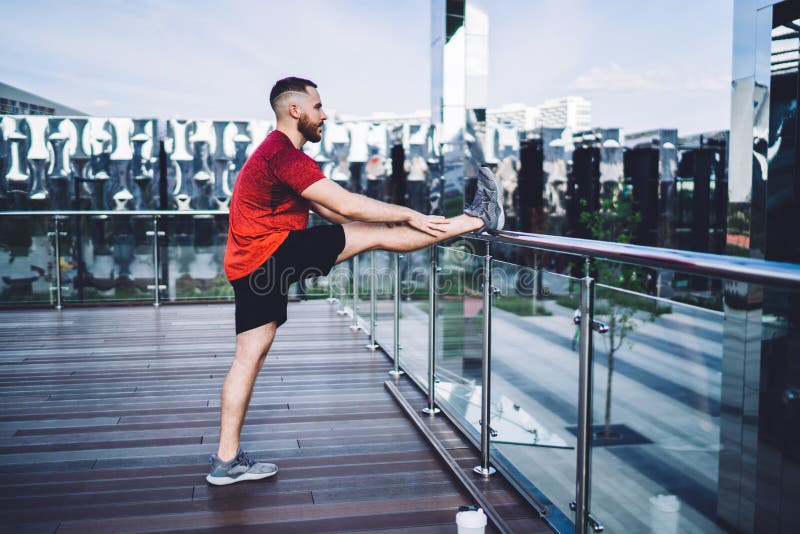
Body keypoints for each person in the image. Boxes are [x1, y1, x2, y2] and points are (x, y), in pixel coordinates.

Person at [206, 76, 504, 485]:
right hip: (269, 253)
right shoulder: (283, 154)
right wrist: (406, 214)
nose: (323, 114)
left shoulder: (278, 156)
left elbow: (335, 214)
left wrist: (368, 227)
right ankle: (477, 218)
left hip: (252, 262)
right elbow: (346, 205)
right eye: (317, 106)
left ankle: (226, 461)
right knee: (376, 234)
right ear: (296, 110)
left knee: (248, 357)